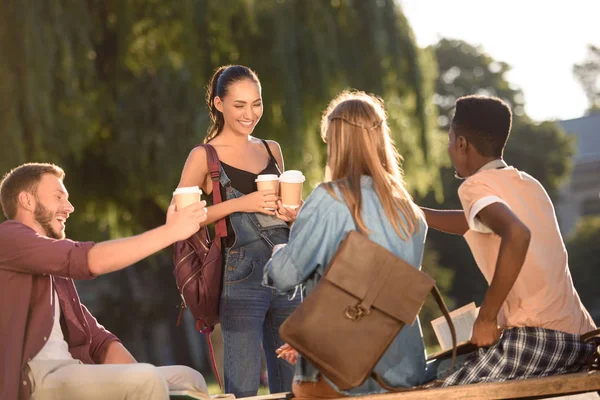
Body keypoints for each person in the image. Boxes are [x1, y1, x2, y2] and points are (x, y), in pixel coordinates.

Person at [421, 95, 597, 386]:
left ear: (462, 144)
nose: (450, 148)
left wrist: (487, 317)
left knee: (433, 390)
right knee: (439, 372)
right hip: (579, 338)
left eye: (451, 140)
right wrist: (416, 213)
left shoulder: (474, 186)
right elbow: (470, 223)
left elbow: (516, 234)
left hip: (537, 338)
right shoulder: (528, 185)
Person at [264, 90, 429, 399]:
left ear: (336, 141)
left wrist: (282, 244)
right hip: (404, 373)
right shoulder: (410, 213)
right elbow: (383, 295)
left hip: (344, 377)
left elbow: (284, 275)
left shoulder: (330, 199)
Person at [0, 163, 210, 400]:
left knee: (189, 378)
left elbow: (99, 341)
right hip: (36, 379)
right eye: (58, 196)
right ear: (26, 201)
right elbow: (89, 260)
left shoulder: (50, 264)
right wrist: (171, 232)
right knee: (147, 379)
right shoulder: (8, 238)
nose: (69, 207)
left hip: (71, 370)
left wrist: (137, 377)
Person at [174, 65, 298, 397]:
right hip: (241, 273)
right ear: (218, 104)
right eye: (239, 105)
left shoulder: (272, 149)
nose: (250, 114)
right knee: (243, 389)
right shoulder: (203, 156)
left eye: (256, 104)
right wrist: (241, 203)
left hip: (287, 272)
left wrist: (293, 213)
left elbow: (282, 214)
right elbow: (181, 219)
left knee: (295, 386)